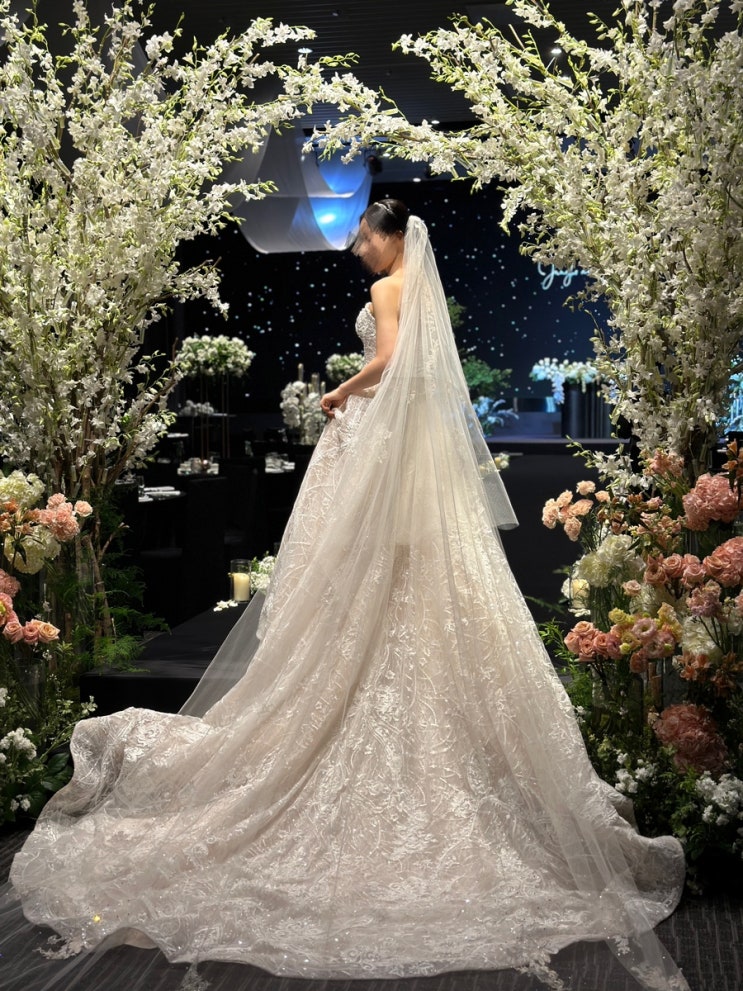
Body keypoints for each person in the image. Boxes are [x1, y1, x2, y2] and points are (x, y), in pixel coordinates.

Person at [1, 200, 689, 991]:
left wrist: (339, 391)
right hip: (395, 452)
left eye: (365, 235)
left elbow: (389, 362)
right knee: (407, 591)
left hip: (374, 440)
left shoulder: (388, 290)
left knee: (359, 584)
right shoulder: (414, 291)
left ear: (392, 236)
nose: (359, 248)